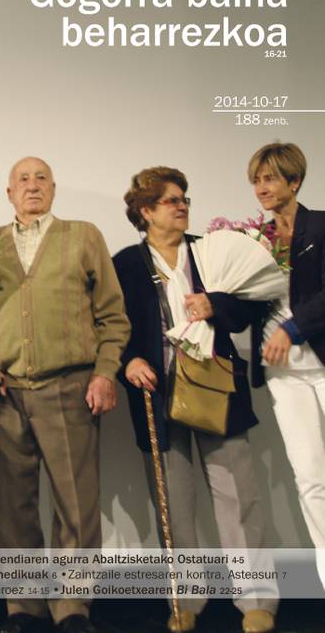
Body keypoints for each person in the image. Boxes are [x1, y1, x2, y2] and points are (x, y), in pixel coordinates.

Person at [0, 156, 130, 633]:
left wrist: (105, 373)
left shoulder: (84, 236)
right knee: (13, 507)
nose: (32, 186)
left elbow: (113, 317)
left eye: (41, 178)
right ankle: (24, 608)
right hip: (6, 393)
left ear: (53, 189)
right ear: (9, 192)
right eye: (23, 179)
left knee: (77, 503)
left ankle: (73, 607)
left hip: (70, 387)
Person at [112, 167, 278, 633]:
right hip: (157, 396)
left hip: (217, 390)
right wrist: (127, 362)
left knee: (238, 498)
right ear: (146, 211)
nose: (183, 206)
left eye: (185, 199)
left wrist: (216, 306)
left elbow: (251, 307)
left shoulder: (210, 251)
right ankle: (184, 600)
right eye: (172, 200)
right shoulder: (125, 264)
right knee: (173, 504)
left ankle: (257, 602)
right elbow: (109, 324)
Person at [248, 142, 325, 589]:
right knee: (310, 479)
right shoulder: (254, 238)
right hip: (284, 375)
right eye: (257, 180)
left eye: (270, 178)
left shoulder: (321, 226)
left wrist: (291, 329)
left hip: (320, 359)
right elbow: (246, 301)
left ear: (294, 182)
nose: (261, 188)